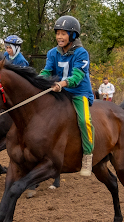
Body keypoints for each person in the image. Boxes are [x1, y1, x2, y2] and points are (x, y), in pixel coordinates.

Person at [38, 15, 95, 177]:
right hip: (59, 92)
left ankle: (87, 156)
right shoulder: (52, 53)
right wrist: (36, 82)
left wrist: (60, 84)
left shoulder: (81, 53)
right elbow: (47, 71)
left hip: (79, 93)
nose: (59, 37)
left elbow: (77, 78)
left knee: (85, 121)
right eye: (57, 33)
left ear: (73, 35)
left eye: (63, 33)